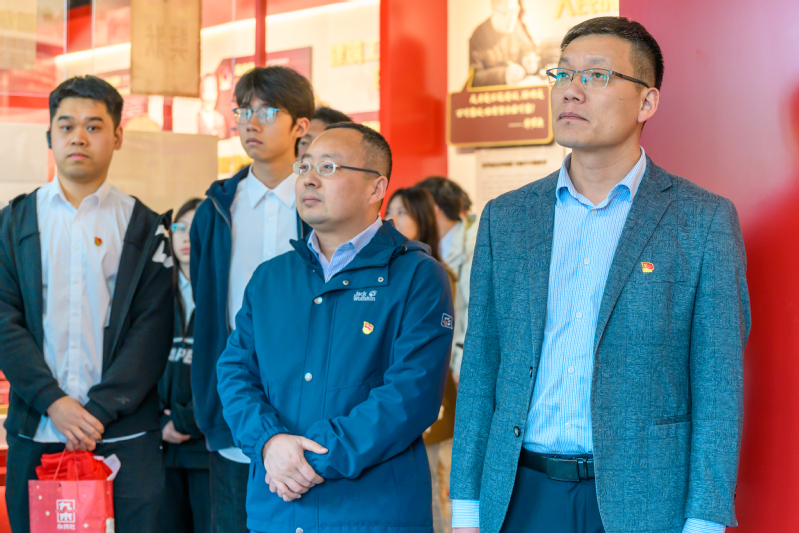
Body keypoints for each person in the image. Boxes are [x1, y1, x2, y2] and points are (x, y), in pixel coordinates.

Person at [451, 16, 750, 533]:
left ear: (647, 102)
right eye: (562, 74)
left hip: (645, 500)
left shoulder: (701, 220)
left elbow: (718, 384)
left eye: (596, 76)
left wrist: (705, 519)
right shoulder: (508, 217)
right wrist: (466, 507)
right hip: (522, 495)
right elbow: (482, 367)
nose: (571, 90)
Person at [216, 123, 454, 533]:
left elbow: (410, 396)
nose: (309, 178)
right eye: (304, 165)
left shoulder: (417, 276)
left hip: (372, 513)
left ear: (376, 188)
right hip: (278, 509)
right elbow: (235, 373)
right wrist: (268, 442)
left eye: (328, 167)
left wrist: (303, 460)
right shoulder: (271, 278)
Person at [0, 75, 174, 533]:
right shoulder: (13, 223)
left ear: (117, 136)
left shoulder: (145, 227)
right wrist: (53, 401)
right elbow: (3, 321)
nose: (79, 137)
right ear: (50, 136)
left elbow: (153, 329)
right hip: (38, 430)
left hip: (123, 436)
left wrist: (98, 410)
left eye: (94, 126)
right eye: (67, 126)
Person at [189, 65, 314, 533]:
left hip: (310, 398)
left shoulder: (320, 201)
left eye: (268, 111)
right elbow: (206, 306)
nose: (251, 123)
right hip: (234, 401)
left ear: (301, 125)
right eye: (243, 111)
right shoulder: (216, 209)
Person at [386, 187, 458, 533]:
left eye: (402, 212)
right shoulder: (386, 272)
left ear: (422, 219)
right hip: (393, 399)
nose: (392, 219)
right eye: (390, 211)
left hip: (431, 396)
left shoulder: (437, 275)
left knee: (431, 486)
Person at [159, 198, 210, 533]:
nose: (186, 236)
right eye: (180, 227)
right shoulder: (156, 292)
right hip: (160, 446)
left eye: (196, 227)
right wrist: (159, 420)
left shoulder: (222, 292)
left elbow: (227, 370)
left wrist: (185, 419)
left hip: (206, 447)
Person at [417, 177, 478, 386]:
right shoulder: (429, 245)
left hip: (459, 365)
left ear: (433, 209)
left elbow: (475, 308)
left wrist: (462, 361)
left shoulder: (473, 246)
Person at [469, 0, 539, 87]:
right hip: (493, 93)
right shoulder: (478, 36)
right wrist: (503, 75)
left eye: (514, 11)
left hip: (519, 91)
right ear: (494, 11)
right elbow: (474, 79)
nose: (512, 18)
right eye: (506, 13)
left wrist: (530, 61)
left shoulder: (516, 26)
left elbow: (529, 50)